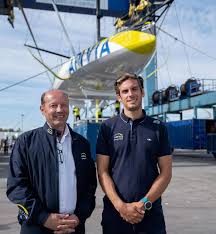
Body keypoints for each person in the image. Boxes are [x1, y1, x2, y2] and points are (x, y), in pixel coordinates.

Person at [7, 90, 97, 234]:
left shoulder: (82, 144)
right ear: (42, 109)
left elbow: (90, 187)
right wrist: (44, 218)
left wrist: (79, 217)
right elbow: (16, 186)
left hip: (73, 227)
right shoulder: (26, 142)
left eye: (64, 105)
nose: (60, 110)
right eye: (53, 105)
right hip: (37, 226)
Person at [96, 73, 172, 234]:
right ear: (119, 97)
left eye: (134, 89)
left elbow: (166, 173)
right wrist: (121, 207)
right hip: (115, 214)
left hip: (150, 215)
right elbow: (102, 172)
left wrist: (144, 203)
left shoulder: (158, 128)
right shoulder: (107, 128)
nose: (130, 94)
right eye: (125, 91)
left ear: (142, 92)